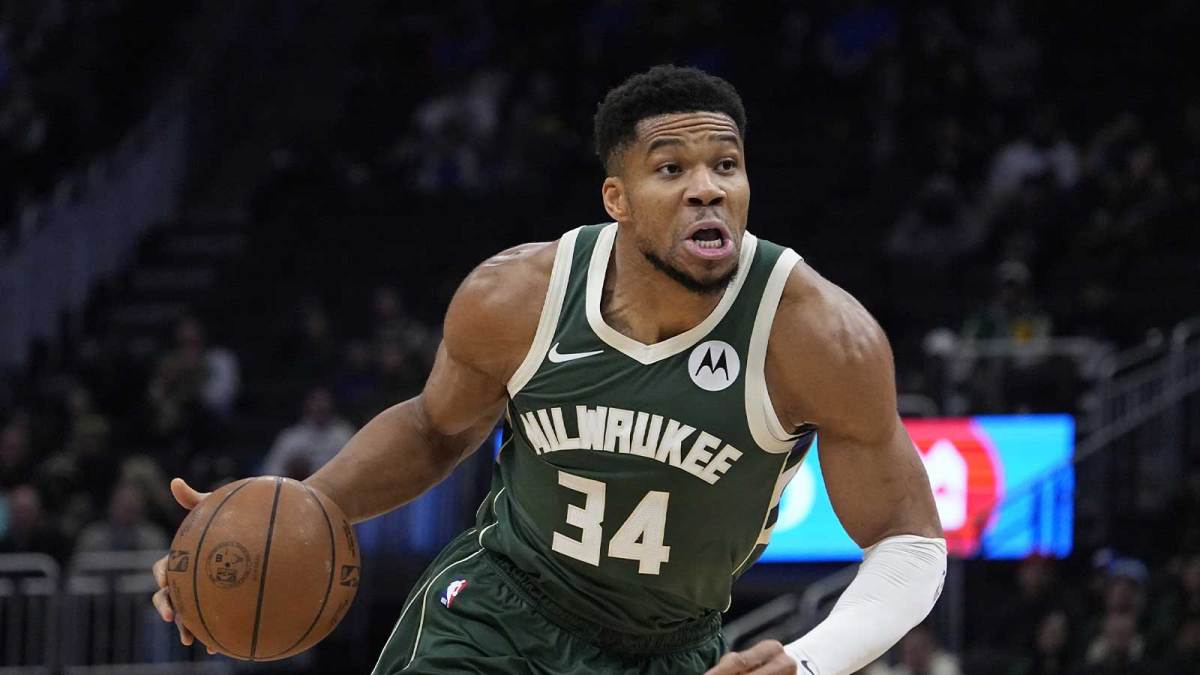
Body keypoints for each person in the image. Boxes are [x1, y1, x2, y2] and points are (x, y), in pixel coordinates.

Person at [151, 65, 946, 675]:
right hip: (500, 609)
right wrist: (288, 516)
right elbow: (434, 429)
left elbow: (910, 542)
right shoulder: (517, 295)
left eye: (726, 166)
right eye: (671, 169)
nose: (707, 188)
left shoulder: (815, 334)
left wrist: (810, 661)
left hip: (671, 647)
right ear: (618, 197)